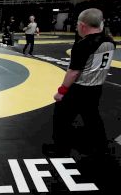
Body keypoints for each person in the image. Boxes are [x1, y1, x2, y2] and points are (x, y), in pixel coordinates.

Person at [44, 8, 116, 157]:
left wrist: (61, 91)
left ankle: (60, 149)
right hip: (97, 87)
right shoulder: (109, 41)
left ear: (82, 25)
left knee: (61, 117)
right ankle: (101, 147)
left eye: (77, 25)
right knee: (92, 117)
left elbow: (73, 72)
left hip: (80, 88)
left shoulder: (83, 45)